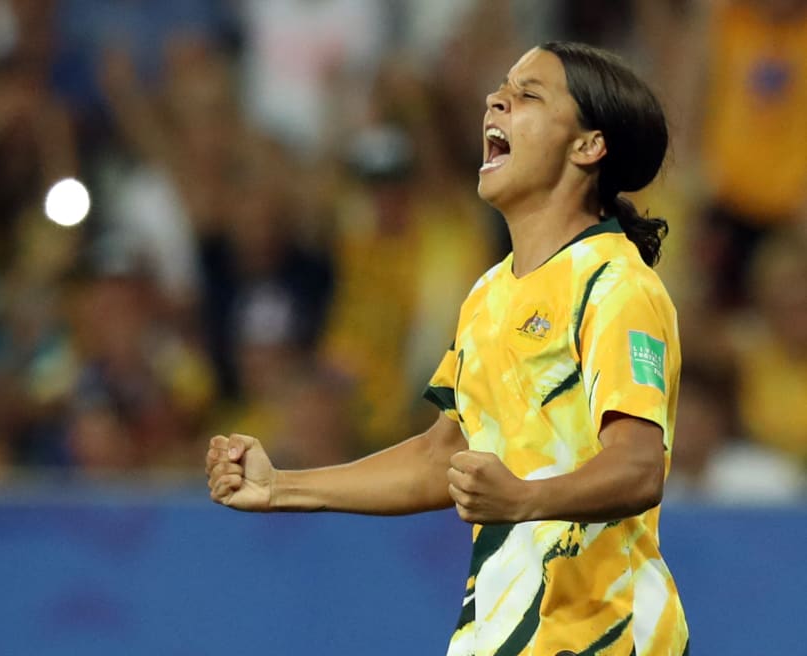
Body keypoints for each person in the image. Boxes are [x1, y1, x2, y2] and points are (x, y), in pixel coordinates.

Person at [205, 41, 689, 655]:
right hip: (498, 638)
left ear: (587, 146)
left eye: (528, 94)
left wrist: (524, 499)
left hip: (602, 638)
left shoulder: (615, 285)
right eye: (502, 87)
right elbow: (444, 455)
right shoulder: (489, 293)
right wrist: (283, 488)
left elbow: (639, 466)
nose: (497, 100)